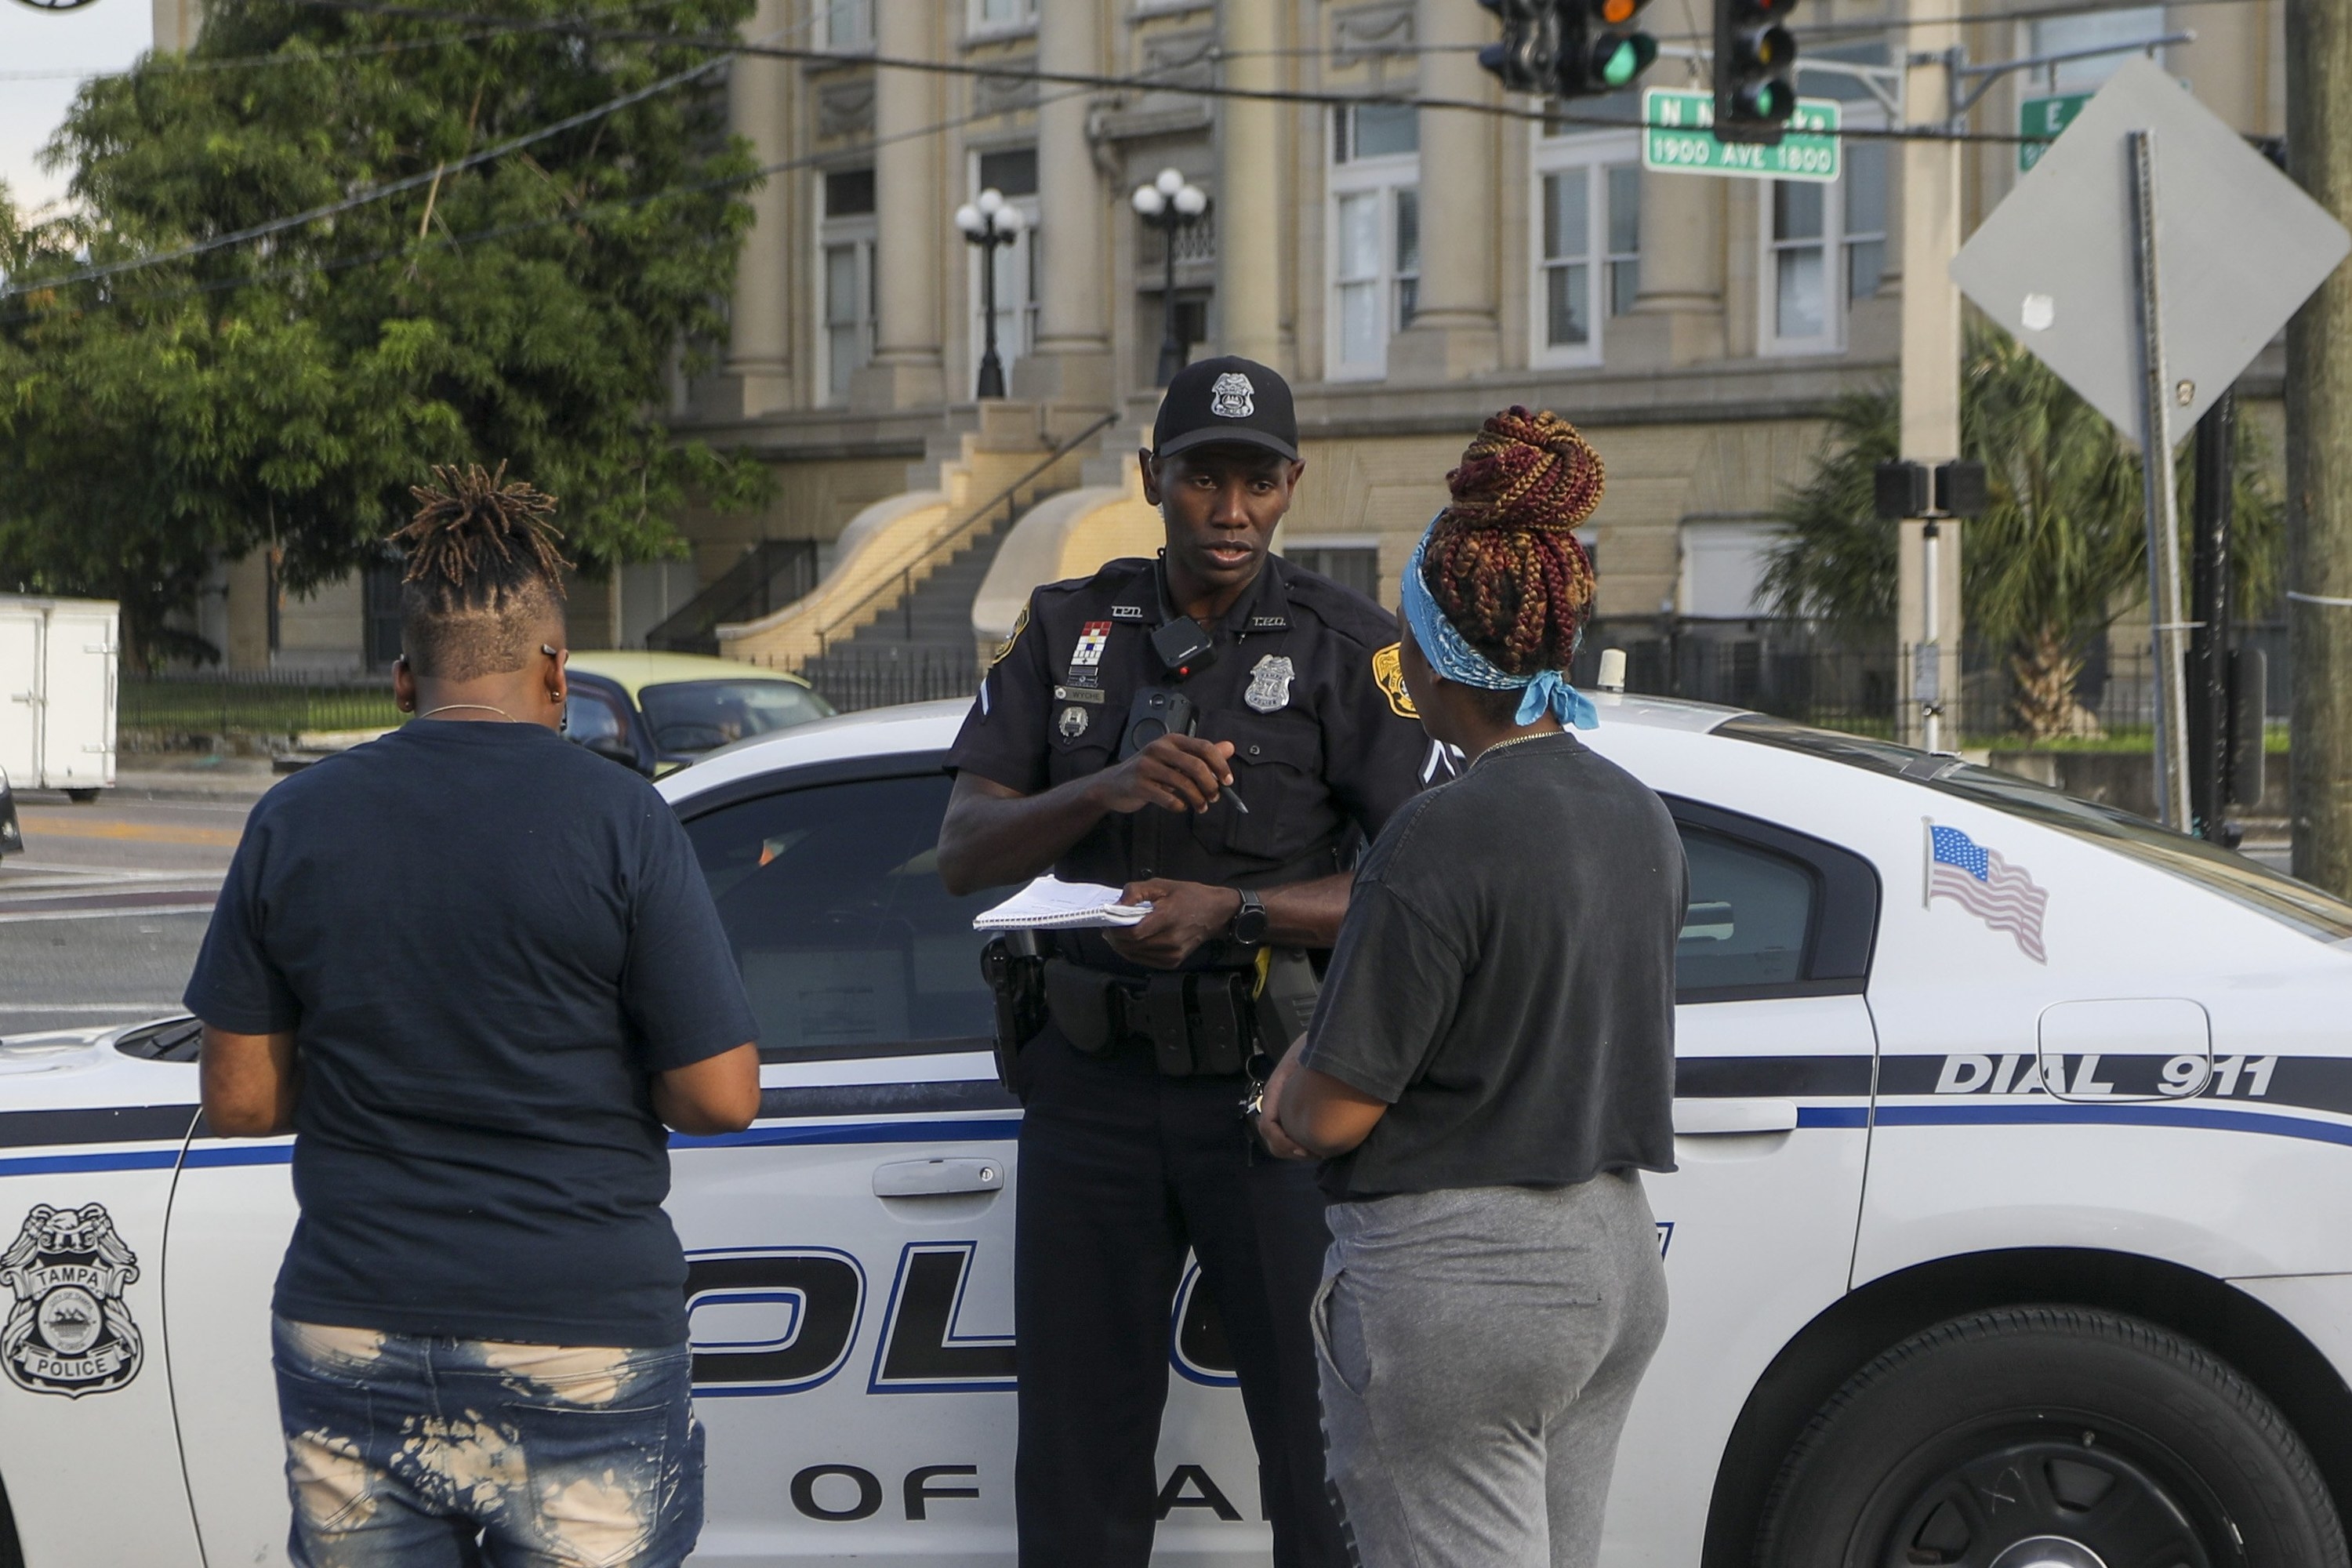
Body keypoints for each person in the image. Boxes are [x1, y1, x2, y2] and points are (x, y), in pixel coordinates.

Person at [187, 464, 761, 1568]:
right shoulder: (624, 821)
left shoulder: (292, 821)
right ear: (557, 670)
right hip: (580, 1327)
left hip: (354, 1314)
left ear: (403, 679)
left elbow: (242, 1099)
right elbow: (720, 1096)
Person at [937, 355, 1445, 1568]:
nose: (1231, 510)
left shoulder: (1347, 648)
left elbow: (1418, 886)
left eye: (1257, 482)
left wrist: (1237, 910)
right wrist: (1101, 786)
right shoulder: (1069, 629)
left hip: (1271, 1102)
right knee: (1077, 1460)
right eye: (1204, 479)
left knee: (1318, 1458)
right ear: (1152, 477)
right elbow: (962, 849)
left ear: (1292, 486)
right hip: (1090, 1096)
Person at [1258, 407, 1685, 1568]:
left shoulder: (1437, 835)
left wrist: (1282, 1097)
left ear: (1436, 651)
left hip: (1462, 1283)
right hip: (1610, 1258)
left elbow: (1335, 1110)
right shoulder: (1633, 810)